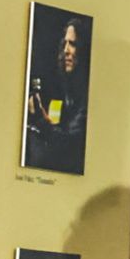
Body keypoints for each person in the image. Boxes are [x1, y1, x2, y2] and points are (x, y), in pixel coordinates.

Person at [24, 18, 90, 174]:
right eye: (65, 43)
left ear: (85, 49)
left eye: (73, 44)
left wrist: (41, 119)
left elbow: (69, 144)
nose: (66, 50)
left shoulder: (88, 96)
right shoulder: (67, 89)